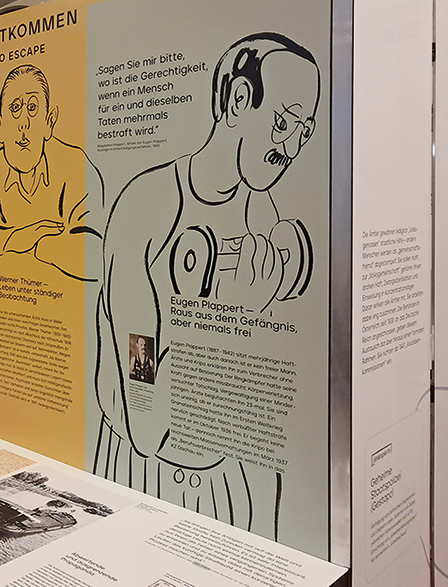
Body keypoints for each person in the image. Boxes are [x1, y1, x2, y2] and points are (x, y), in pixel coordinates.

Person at [93, 33, 321, 539]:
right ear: (239, 100)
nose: (290, 147)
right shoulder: (146, 208)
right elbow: (145, 420)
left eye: (303, 132)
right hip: (144, 477)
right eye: (283, 122)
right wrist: (227, 317)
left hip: (230, 480)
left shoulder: (262, 214)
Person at [0, 65, 104, 281]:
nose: (23, 123)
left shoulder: (74, 164)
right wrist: (19, 238)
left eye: (33, 108)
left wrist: (40, 245)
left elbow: (97, 253)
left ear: (49, 121)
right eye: (15, 108)